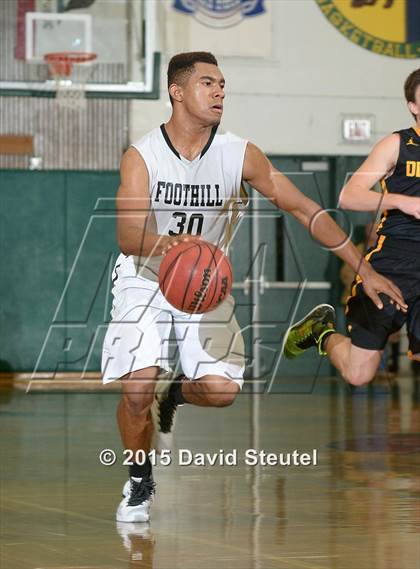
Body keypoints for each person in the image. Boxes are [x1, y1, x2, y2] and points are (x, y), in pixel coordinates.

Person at [101, 52, 406, 523]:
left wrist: (363, 268)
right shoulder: (142, 156)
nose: (221, 91)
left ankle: (175, 392)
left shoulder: (240, 153)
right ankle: (139, 481)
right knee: (137, 388)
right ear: (177, 92)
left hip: (202, 281)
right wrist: (171, 244)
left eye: (223, 84)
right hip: (145, 276)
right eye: (208, 83)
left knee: (222, 391)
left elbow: (307, 210)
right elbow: (127, 235)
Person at [285, 68, 420, 386]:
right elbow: (349, 196)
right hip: (394, 263)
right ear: (413, 105)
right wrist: (400, 201)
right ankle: (321, 331)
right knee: (359, 374)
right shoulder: (398, 144)